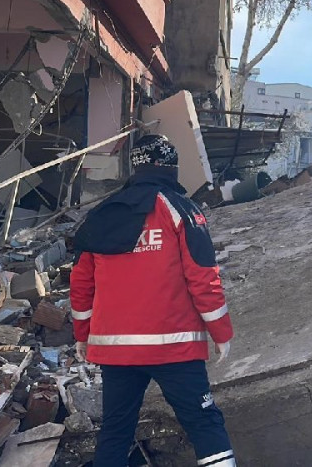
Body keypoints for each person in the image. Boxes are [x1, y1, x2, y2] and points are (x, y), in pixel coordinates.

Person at [71, 134, 235, 467]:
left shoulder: (102, 215)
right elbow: (203, 276)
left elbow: (81, 283)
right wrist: (221, 332)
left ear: (136, 166)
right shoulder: (181, 210)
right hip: (173, 345)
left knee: (116, 432)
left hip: (116, 349)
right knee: (204, 424)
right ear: (171, 167)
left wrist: (82, 334)